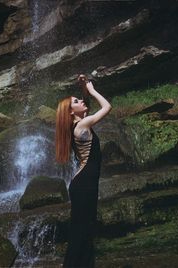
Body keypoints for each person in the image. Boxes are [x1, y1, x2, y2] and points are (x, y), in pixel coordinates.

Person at [55, 74, 112, 267]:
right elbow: (107, 107)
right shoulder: (82, 125)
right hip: (85, 185)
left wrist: (84, 90)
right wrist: (93, 90)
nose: (81, 101)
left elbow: (85, 106)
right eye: (76, 102)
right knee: (81, 234)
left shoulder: (76, 125)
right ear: (71, 112)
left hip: (83, 184)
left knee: (84, 232)